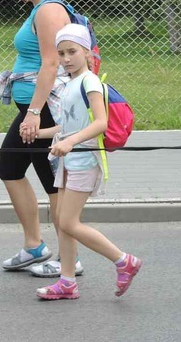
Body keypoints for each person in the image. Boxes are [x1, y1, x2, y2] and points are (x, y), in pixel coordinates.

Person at [34, 24, 142, 300]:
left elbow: (100, 123)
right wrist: (40, 133)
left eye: (72, 51)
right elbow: (66, 125)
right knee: (62, 220)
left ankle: (123, 260)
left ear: (87, 52)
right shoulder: (70, 84)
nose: (66, 58)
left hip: (84, 159)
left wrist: (70, 143)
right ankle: (67, 282)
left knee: (68, 223)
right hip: (69, 161)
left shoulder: (90, 82)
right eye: (61, 53)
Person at [0, 0, 71, 271]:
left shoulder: (48, 11)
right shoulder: (41, 9)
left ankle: (68, 260)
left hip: (43, 110)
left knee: (54, 183)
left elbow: (50, 64)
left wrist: (33, 113)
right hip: (35, 108)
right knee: (10, 168)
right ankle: (34, 246)